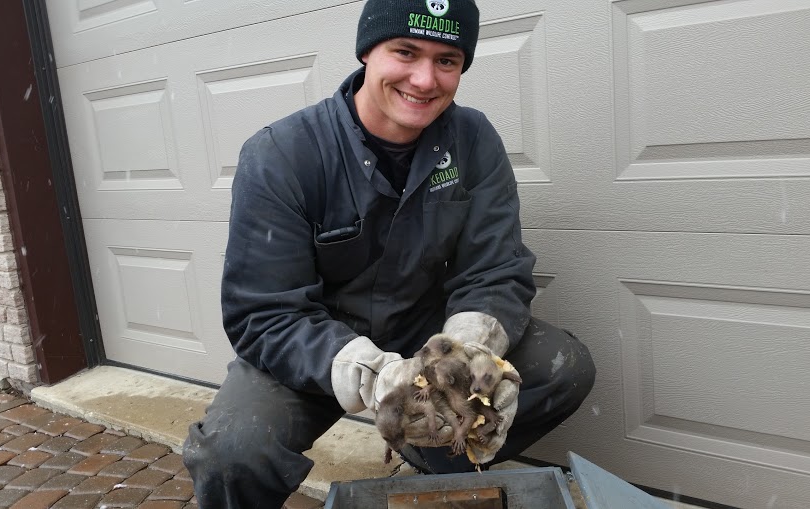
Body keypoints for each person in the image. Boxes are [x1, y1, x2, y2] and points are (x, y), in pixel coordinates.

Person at [182, 0, 595, 506]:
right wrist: (375, 374)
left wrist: (464, 352)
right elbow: (265, 313)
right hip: (310, 344)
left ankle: (429, 453)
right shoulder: (281, 156)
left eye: (447, 60)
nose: (424, 79)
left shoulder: (472, 140)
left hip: (426, 331)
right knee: (233, 454)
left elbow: (495, 268)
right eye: (405, 52)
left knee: (563, 366)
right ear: (367, 53)